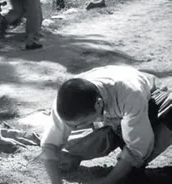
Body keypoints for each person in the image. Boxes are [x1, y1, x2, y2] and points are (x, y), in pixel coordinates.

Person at [40, 65, 172, 184]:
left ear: (98, 104)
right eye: (71, 126)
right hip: (110, 106)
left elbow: (138, 146)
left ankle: (132, 167)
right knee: (71, 153)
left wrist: (107, 181)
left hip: (150, 97)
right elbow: (49, 145)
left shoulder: (130, 95)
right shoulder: (65, 100)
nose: (75, 129)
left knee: (135, 160)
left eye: (81, 124)